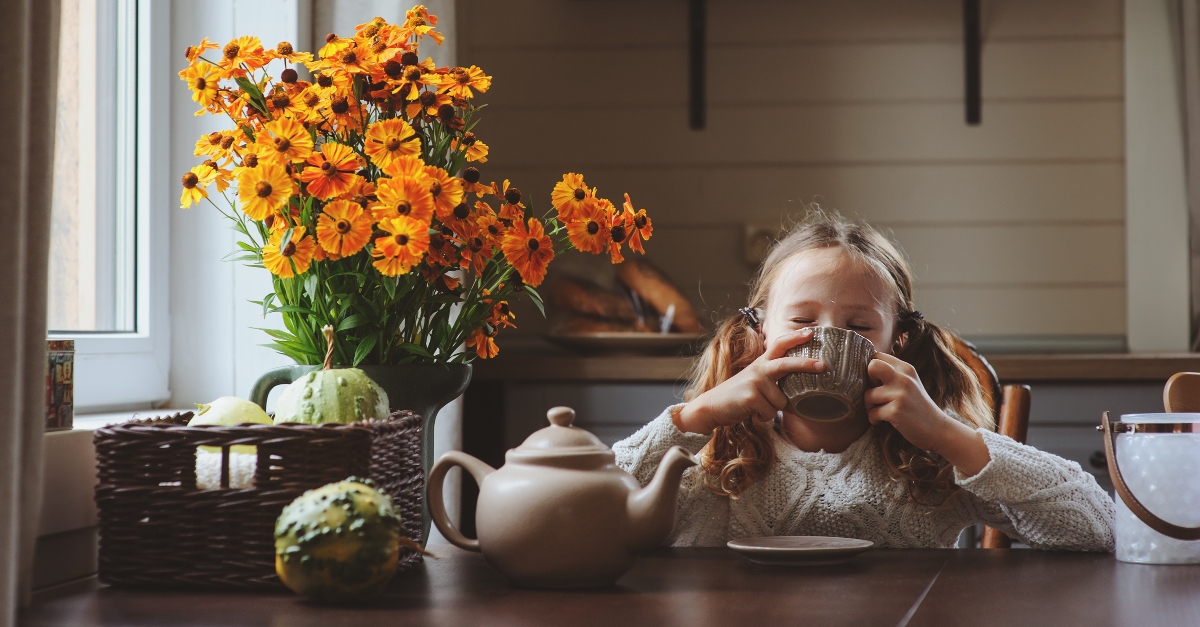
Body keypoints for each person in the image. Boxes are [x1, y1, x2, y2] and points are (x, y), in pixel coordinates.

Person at [613, 210, 1115, 550]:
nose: (828, 340)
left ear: (898, 341)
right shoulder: (717, 460)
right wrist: (694, 416)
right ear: (761, 331)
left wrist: (946, 434)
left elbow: (1098, 526)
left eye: (859, 327)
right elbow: (582, 509)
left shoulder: (926, 465)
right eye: (802, 321)